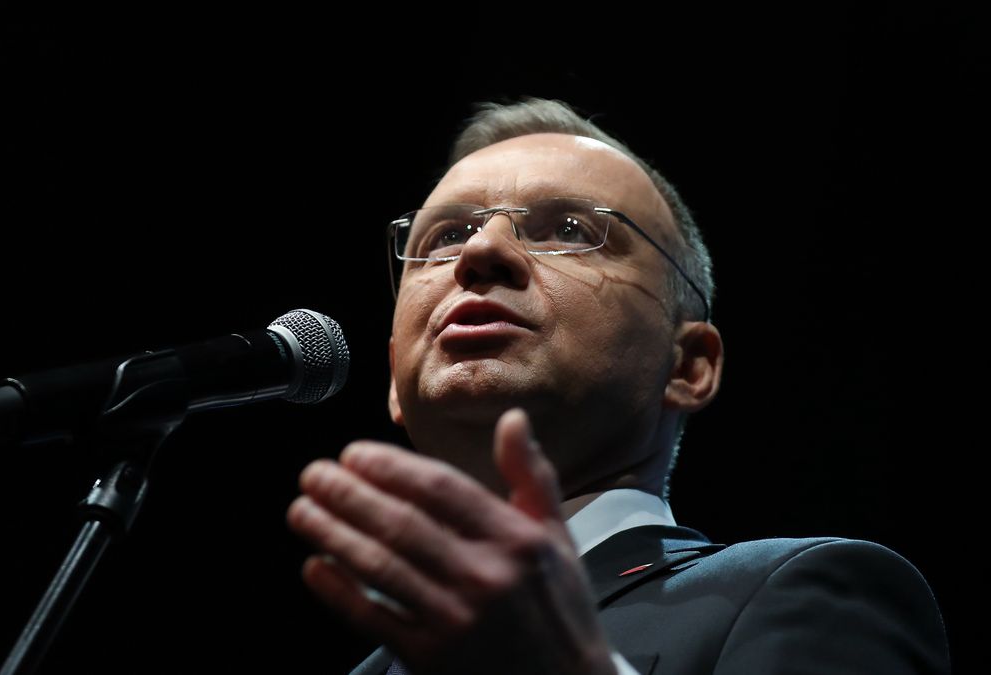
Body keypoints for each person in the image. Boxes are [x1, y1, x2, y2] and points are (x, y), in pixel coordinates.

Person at [285, 98, 949, 675]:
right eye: (447, 234)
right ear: (395, 375)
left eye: (570, 230)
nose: (481, 252)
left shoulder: (806, 593)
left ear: (689, 365)